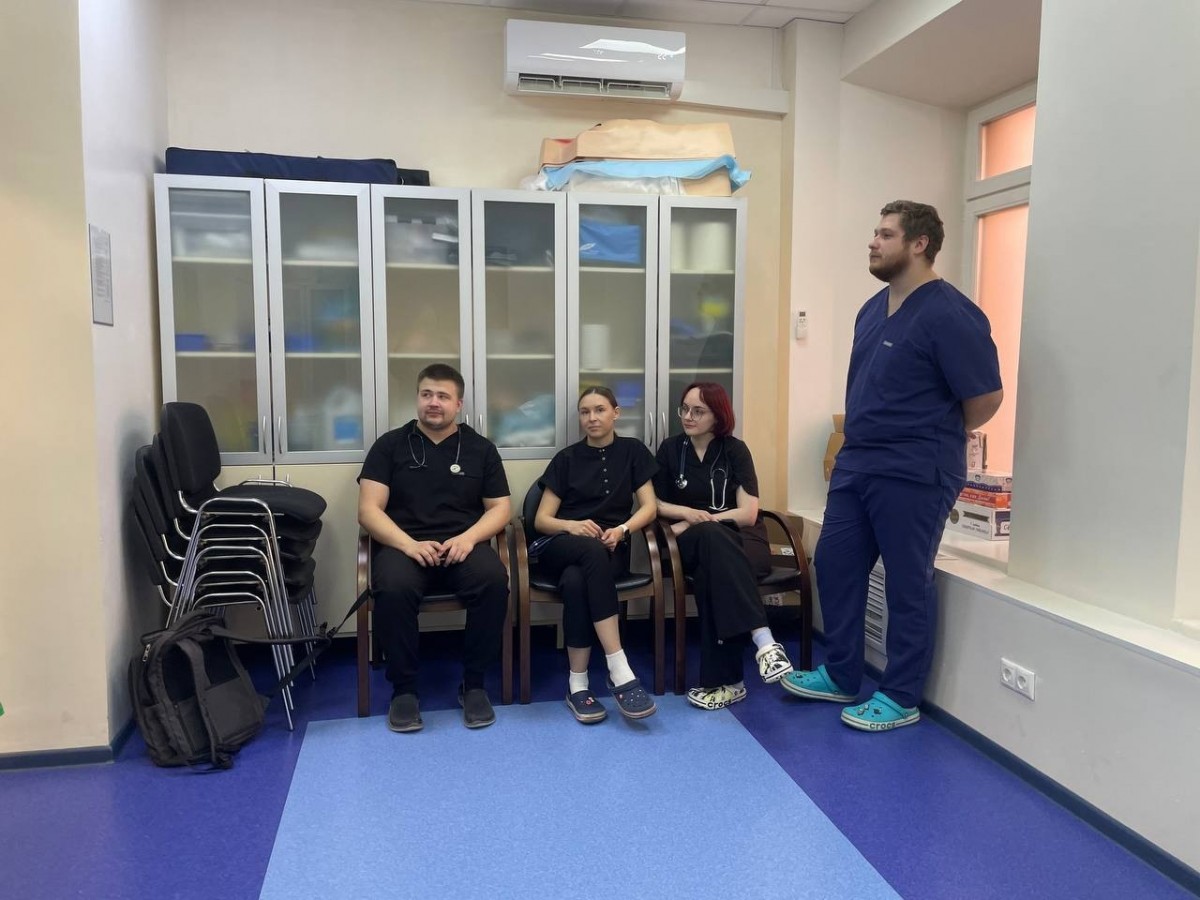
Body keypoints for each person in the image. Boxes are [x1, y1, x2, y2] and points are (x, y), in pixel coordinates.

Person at [782, 200, 1003, 732]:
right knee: (834, 563)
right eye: (875, 233)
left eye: (885, 234)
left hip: (915, 468)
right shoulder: (870, 309)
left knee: (907, 580)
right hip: (859, 462)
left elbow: (985, 398)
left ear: (919, 244)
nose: (873, 242)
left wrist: (929, 431)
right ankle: (841, 675)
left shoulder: (951, 314)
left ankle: (901, 695)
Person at [358, 364, 512, 733]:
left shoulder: (481, 449)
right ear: (417, 398)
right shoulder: (389, 446)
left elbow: (500, 508)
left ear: (458, 404)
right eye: (427, 394)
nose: (434, 402)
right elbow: (368, 510)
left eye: (443, 396)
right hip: (405, 545)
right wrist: (408, 545)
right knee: (393, 587)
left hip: (462, 546)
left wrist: (469, 538)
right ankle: (404, 690)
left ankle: (474, 684)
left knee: (493, 580)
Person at [654, 382, 793, 710]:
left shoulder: (735, 450)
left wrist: (700, 520)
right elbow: (655, 503)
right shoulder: (671, 449)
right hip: (691, 544)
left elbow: (748, 514)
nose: (688, 416)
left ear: (718, 415)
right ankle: (764, 640)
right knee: (710, 540)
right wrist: (687, 515)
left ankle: (728, 684)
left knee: (711, 571)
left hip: (743, 540)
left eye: (698, 411)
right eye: (684, 409)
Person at [533, 386, 659, 723]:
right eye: (585, 411)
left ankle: (577, 685)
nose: (592, 418)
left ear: (616, 413)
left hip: (610, 547)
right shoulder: (566, 459)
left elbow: (649, 507)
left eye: (600, 410)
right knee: (589, 551)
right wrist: (573, 526)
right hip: (562, 544)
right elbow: (542, 520)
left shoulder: (633, 451)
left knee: (576, 582)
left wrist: (622, 530)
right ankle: (619, 667)